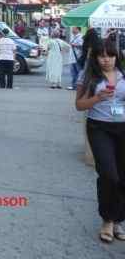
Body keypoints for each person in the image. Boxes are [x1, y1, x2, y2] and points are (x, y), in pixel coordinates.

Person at [74, 38, 125, 243]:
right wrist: (98, 98)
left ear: (116, 56)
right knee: (109, 175)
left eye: (110, 55)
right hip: (99, 127)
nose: (106, 60)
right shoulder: (88, 76)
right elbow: (79, 105)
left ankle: (118, 220)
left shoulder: (123, 74)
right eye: (102, 55)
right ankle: (107, 219)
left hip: (123, 127)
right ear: (95, 57)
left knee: (123, 176)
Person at [69, 26, 85, 90]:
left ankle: (78, 86)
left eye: (74, 29)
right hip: (72, 58)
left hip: (78, 57)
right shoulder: (73, 36)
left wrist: (74, 45)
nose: (72, 30)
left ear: (78, 29)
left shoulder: (81, 37)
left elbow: (82, 46)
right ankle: (74, 86)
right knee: (73, 73)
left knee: (79, 72)